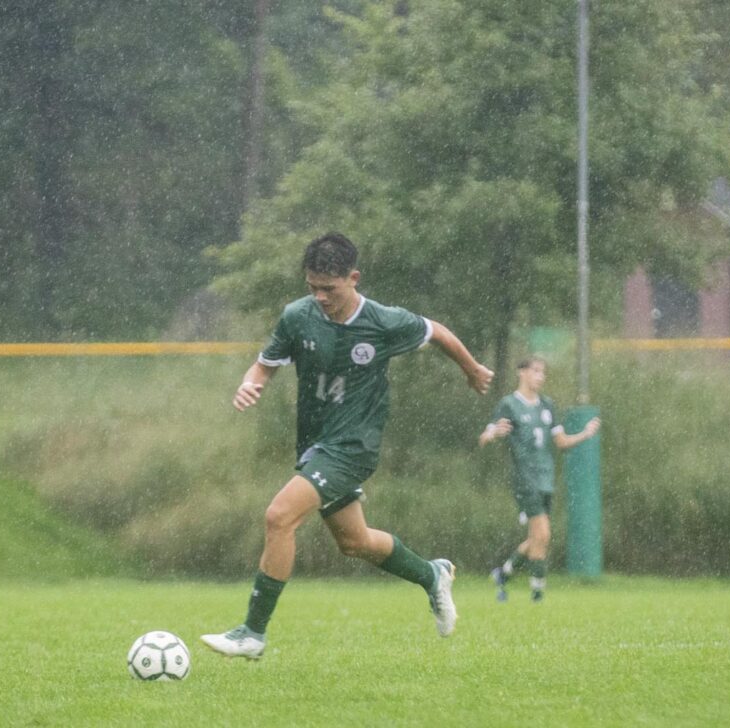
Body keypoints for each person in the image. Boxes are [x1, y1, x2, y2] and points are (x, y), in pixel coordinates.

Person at [201, 232, 494, 660]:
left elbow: (436, 331)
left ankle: (253, 633)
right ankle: (431, 575)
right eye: (312, 287)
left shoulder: (382, 321)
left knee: (279, 517)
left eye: (329, 289)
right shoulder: (297, 317)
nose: (319, 297)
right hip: (315, 447)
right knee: (355, 542)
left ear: (353, 278)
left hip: (353, 446)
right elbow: (264, 366)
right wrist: (251, 384)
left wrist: (471, 369)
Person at [478, 356, 600, 603]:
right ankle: (537, 593)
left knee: (538, 537)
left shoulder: (547, 405)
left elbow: (562, 442)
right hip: (525, 480)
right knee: (543, 534)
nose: (540, 376)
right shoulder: (509, 404)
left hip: (546, 480)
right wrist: (492, 434)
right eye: (535, 371)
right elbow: (485, 436)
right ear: (521, 373)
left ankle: (504, 573)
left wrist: (585, 434)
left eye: (543, 372)